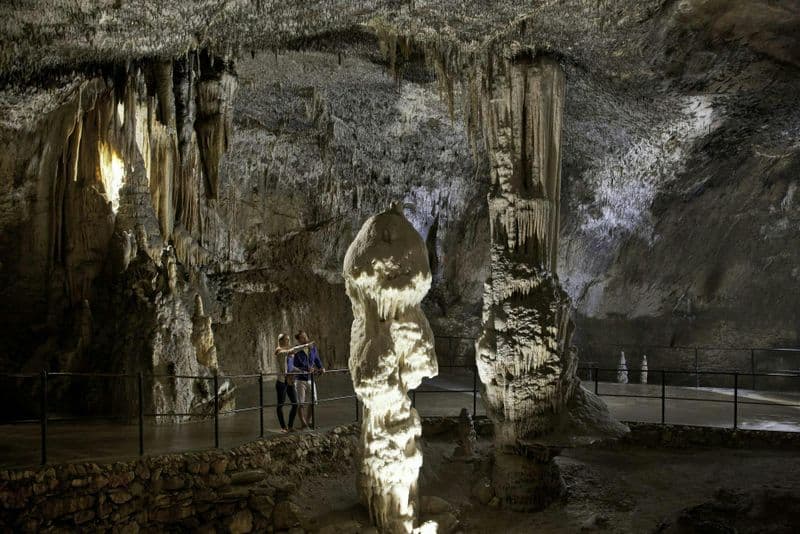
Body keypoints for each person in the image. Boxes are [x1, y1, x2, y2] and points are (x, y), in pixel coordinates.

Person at [274, 333, 314, 432]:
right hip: (281, 382)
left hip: (290, 381)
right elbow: (292, 350)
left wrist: (302, 371)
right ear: (280, 341)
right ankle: (283, 427)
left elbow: (291, 367)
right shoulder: (279, 352)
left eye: (288, 339)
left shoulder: (288, 353)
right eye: (286, 340)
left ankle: (290, 426)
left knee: (295, 404)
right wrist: (305, 346)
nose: (288, 341)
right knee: (280, 405)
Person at [293, 330, 325, 429]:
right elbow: (293, 366)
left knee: (313, 400)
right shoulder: (296, 351)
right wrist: (306, 368)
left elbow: (317, 359)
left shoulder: (313, 348)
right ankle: (303, 424)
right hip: (300, 380)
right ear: (298, 340)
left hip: (311, 379)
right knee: (301, 402)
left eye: (306, 336)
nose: (305, 339)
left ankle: (308, 421)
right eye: (302, 337)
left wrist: (321, 367)